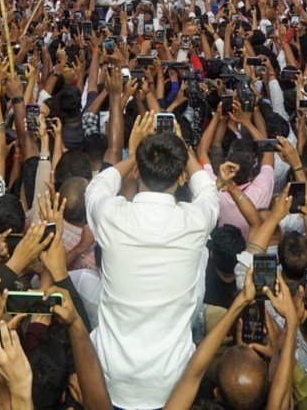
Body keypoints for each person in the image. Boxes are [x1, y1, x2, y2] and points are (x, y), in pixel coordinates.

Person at [85, 115, 219, 410]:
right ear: (181, 176)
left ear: (138, 172)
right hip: (170, 380)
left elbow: (96, 187)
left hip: (112, 376)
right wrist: (183, 148)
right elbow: (209, 191)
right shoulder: (194, 221)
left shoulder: (112, 216)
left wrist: (133, 156)